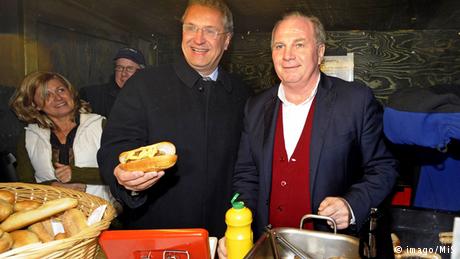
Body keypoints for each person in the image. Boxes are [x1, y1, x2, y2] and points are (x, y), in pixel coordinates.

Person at [217, 12, 398, 258]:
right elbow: (246, 175)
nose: (287, 55)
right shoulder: (255, 106)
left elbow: (384, 168)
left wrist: (351, 205)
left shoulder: (355, 100)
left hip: (330, 249)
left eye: (299, 44)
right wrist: (240, 228)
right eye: (279, 46)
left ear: (320, 51)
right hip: (268, 247)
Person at [97, 0, 251, 237]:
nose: (198, 39)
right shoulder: (144, 84)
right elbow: (115, 145)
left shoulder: (243, 94)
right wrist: (123, 177)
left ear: (227, 40)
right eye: (191, 27)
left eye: (209, 31)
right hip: (156, 232)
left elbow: (249, 167)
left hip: (222, 234)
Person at [10, 71, 113, 202]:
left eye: (61, 90)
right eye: (47, 95)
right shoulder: (28, 136)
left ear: (70, 92)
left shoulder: (100, 125)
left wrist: (76, 174)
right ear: (35, 105)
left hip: (101, 213)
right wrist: (53, 187)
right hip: (49, 218)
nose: (58, 98)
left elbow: (119, 170)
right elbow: (25, 187)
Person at [79, 47, 146, 117]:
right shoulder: (91, 95)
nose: (123, 73)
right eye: (119, 68)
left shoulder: (150, 100)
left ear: (141, 72)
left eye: (130, 69)